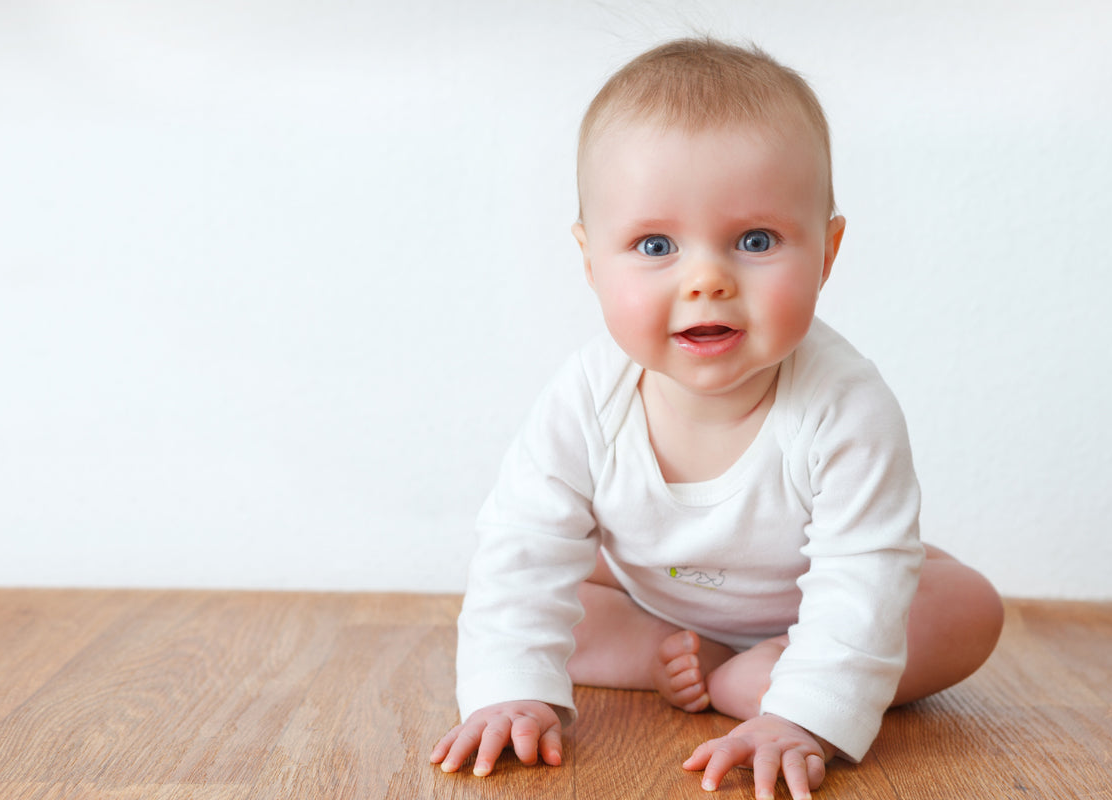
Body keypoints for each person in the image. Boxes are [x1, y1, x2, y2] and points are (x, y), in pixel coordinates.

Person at [430, 37, 1004, 800]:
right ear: (592, 260)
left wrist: (802, 716)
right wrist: (508, 690)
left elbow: (863, 571)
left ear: (828, 253)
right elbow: (523, 544)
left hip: (813, 600)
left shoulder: (845, 405)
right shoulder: (586, 397)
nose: (707, 280)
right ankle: (660, 655)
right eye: (655, 245)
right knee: (554, 579)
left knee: (965, 606)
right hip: (654, 592)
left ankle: (772, 673)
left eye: (756, 241)